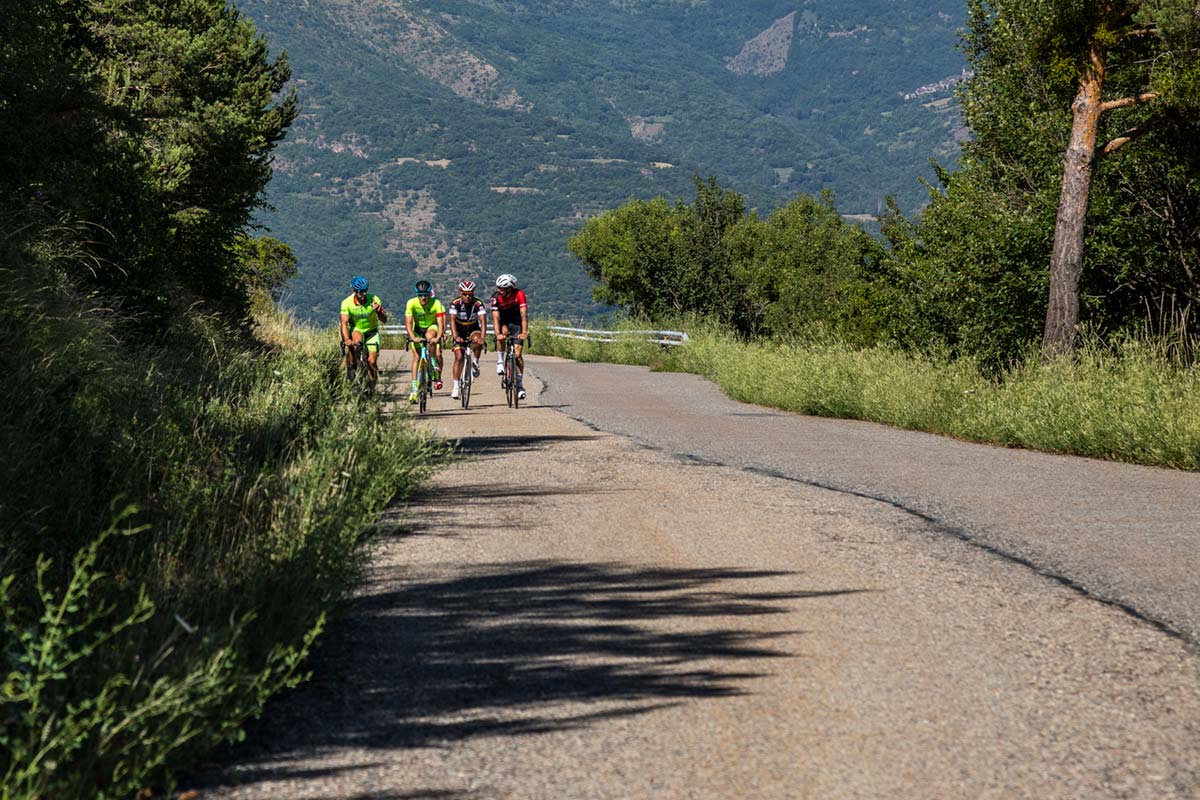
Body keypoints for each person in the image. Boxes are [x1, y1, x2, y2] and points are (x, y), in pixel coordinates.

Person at [339, 275, 387, 387]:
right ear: (354, 291)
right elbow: (344, 323)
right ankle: (353, 365)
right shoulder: (346, 303)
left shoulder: (374, 299)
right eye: (361, 292)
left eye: (365, 291)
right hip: (357, 329)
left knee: (372, 362)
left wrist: (379, 311)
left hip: (371, 331)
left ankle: (372, 386)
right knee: (355, 343)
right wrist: (346, 339)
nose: (363, 294)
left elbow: (384, 320)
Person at [405, 279, 446, 403]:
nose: (423, 298)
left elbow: (440, 323)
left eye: (426, 295)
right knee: (416, 357)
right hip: (417, 329)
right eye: (420, 296)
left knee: (430, 337)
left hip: (431, 327)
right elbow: (408, 322)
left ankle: (433, 364)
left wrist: (438, 337)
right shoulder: (411, 303)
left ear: (430, 294)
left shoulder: (436, 303)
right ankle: (414, 389)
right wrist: (412, 336)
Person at [490, 273, 528, 401]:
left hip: (516, 321)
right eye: (498, 287)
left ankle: (520, 385)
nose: (499, 290)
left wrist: (524, 332)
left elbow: (523, 315)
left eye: (502, 288)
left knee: (517, 354)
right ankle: (500, 361)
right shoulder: (495, 297)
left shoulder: (519, 294)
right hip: (504, 321)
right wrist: (498, 334)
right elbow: (495, 318)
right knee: (502, 335)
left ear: (509, 288)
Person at [448, 280, 486, 400]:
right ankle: (455, 386)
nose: (468, 297)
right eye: (465, 294)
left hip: (473, 328)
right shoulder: (455, 303)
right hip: (459, 330)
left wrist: (483, 338)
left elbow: (483, 321)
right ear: (460, 293)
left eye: (470, 294)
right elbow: (452, 320)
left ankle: (475, 361)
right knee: (459, 357)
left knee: (478, 339)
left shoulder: (478, 303)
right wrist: (455, 336)